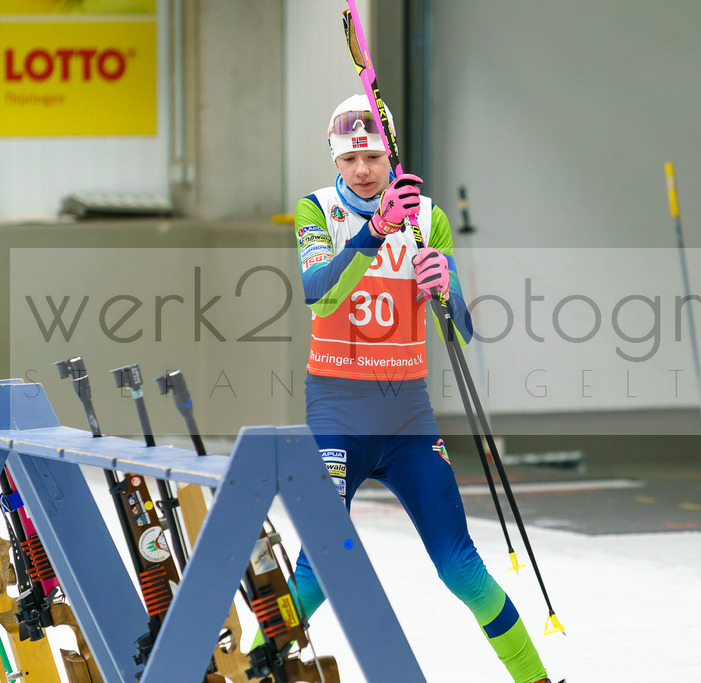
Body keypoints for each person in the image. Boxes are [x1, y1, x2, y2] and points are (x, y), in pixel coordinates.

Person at [288, 93, 560, 683]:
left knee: (461, 568)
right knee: (318, 568)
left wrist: (445, 290)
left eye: (374, 157)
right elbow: (320, 294)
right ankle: (251, 663)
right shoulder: (316, 211)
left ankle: (536, 678)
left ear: (390, 155)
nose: (363, 169)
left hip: (408, 419)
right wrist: (374, 233)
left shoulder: (426, 217)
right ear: (335, 160)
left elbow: (461, 332)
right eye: (351, 158)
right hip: (337, 410)